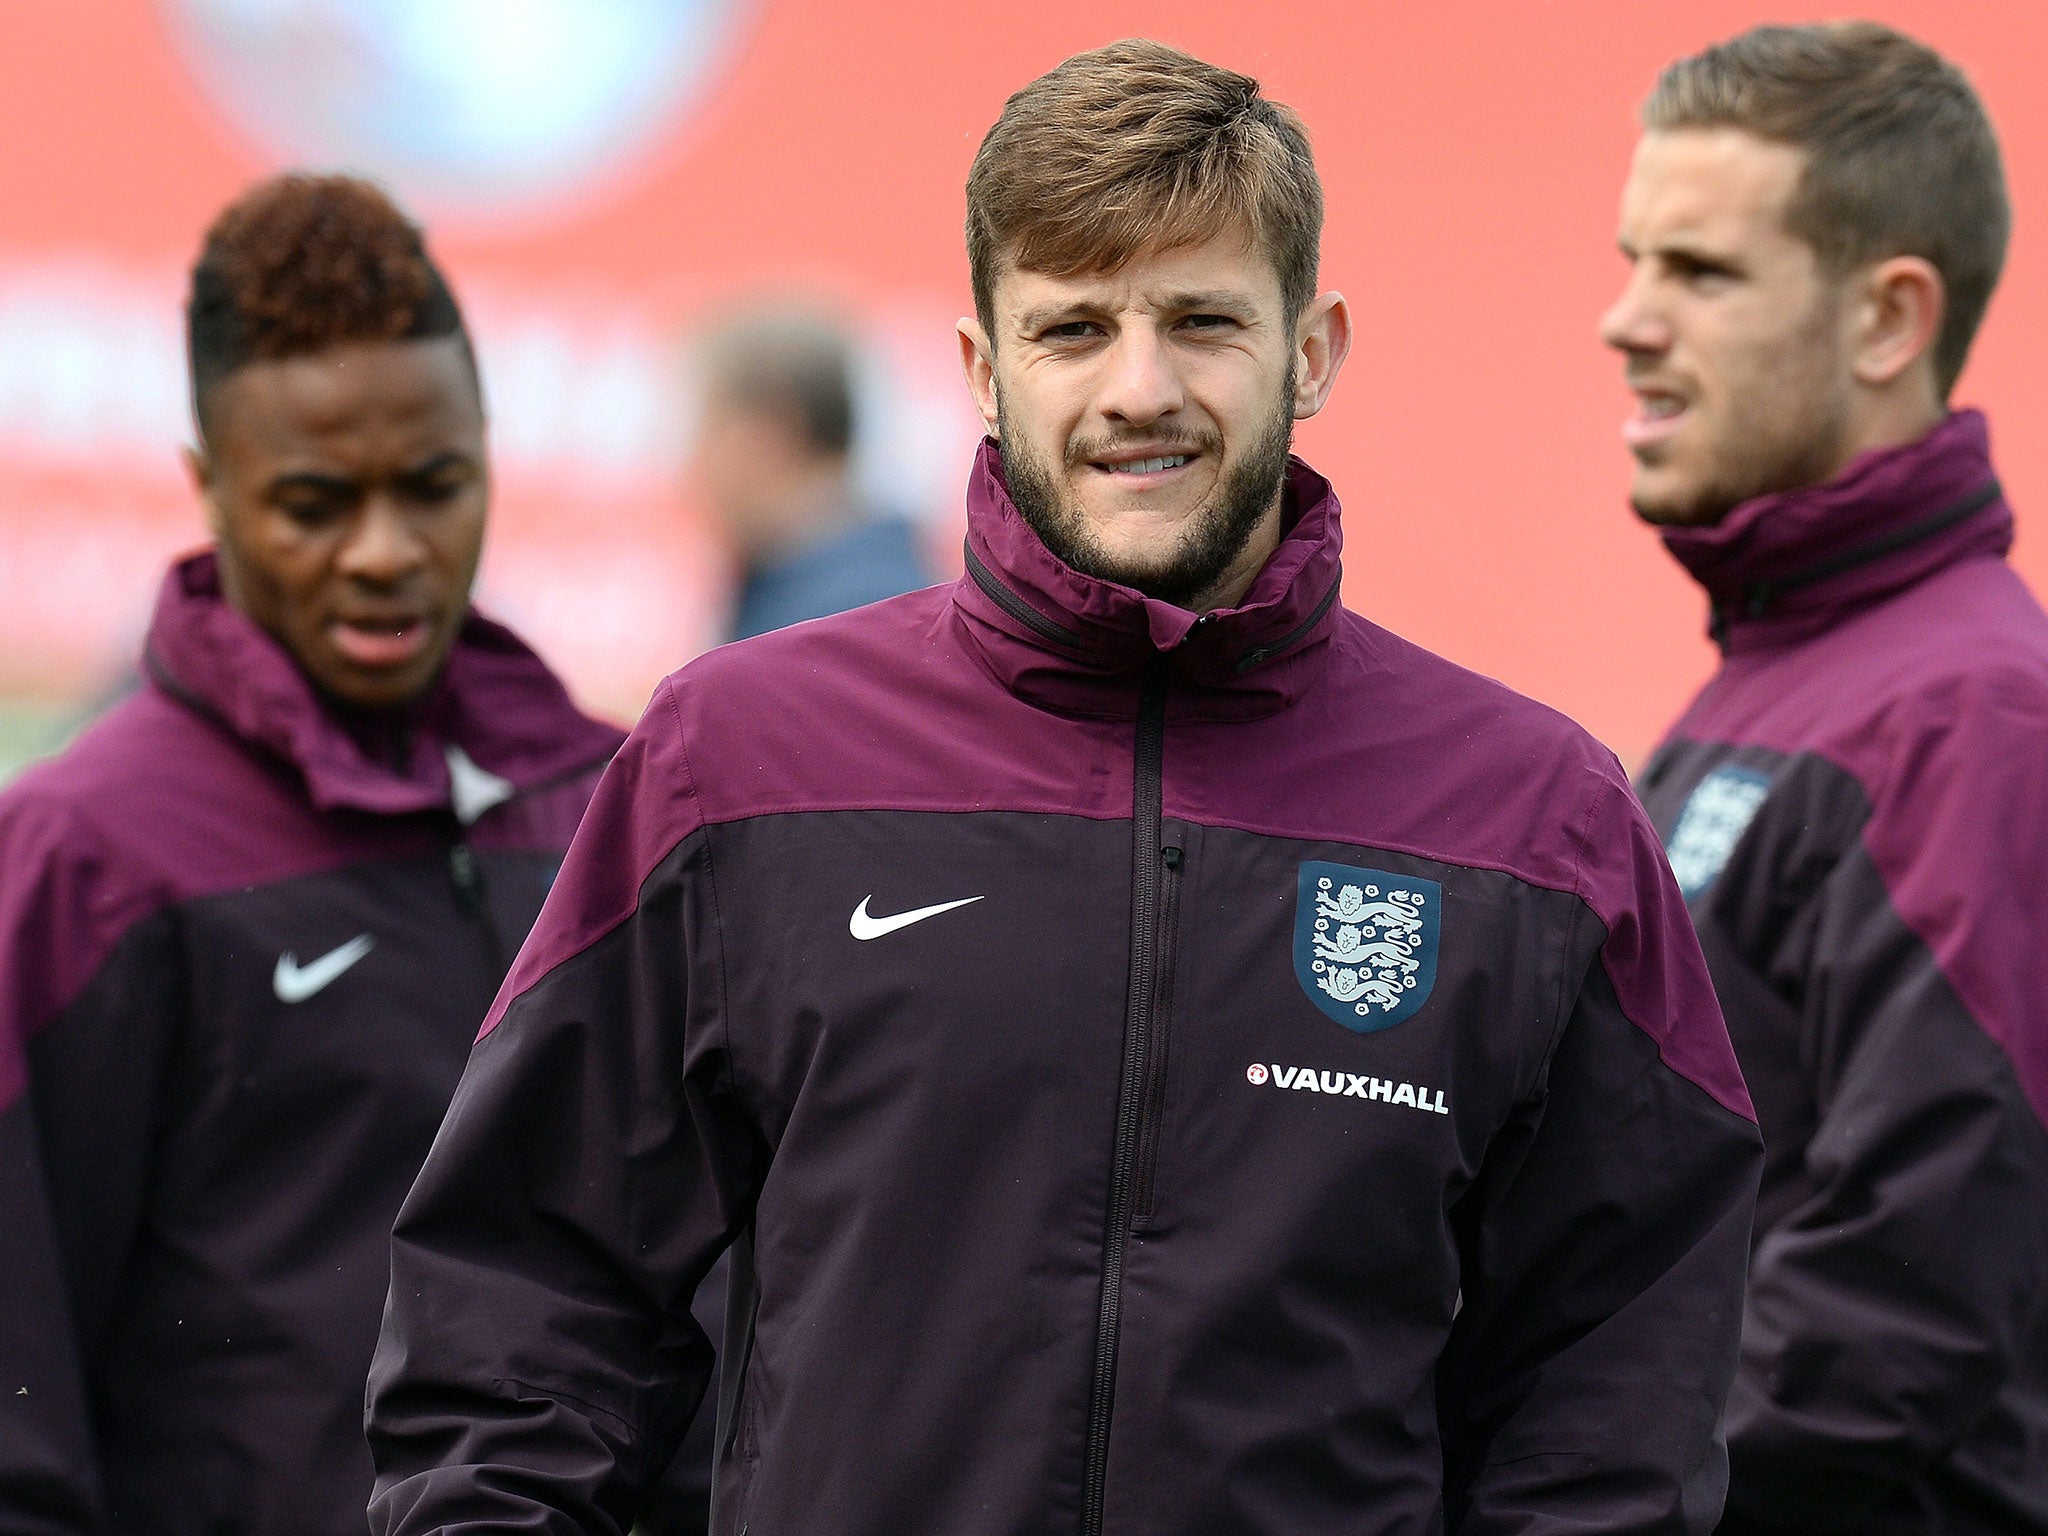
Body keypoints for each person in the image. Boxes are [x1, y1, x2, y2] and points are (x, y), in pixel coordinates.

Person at [368, 41, 1762, 1535]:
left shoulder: (1537, 820)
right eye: (1074, 327)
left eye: (1204, 321)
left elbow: (1615, 1399)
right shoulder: (737, 758)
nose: (1138, 389)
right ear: (979, 367)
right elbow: (524, 1311)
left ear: (1315, 348)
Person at [0, 173, 623, 1535]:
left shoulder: (610, 803)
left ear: (491, 450)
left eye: (433, 485)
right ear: (207, 488)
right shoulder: (84, 856)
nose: (385, 553)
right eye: (314, 503)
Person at [1601, 23, 2048, 1534]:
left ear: (1888, 319)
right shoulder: (1793, 675)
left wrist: (1575, 1501)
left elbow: (1894, 1313)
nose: (1626, 320)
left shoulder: (1967, 715)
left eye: (1701, 273)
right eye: (1633, 260)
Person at [689, 308, 933, 642]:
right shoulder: (805, 591)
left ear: (764, 431)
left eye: (708, 427)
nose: (693, 462)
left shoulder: (838, 619)